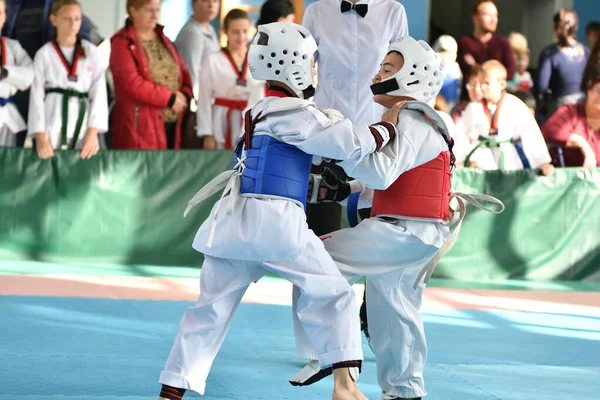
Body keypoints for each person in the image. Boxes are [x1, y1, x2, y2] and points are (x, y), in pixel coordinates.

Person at [156, 22, 402, 400]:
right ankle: (345, 386)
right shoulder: (298, 113)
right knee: (334, 293)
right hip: (277, 225)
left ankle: (172, 387)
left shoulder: (259, 111)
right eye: (313, 64)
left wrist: (335, 184)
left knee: (209, 311)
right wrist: (388, 128)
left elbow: (284, 164)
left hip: (235, 222)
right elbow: (348, 143)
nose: (316, 71)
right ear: (295, 66)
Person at [289, 35, 503, 400]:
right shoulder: (414, 121)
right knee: (394, 314)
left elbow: (383, 172)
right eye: (381, 66)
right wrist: (347, 189)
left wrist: (344, 144)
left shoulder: (414, 119)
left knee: (316, 258)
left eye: (388, 68)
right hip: (413, 231)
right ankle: (404, 391)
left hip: (406, 232)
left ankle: (331, 351)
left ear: (414, 76)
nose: (378, 73)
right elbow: (394, 178)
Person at [27, 0, 107, 159]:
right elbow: (36, 96)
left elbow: (99, 94)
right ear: (53, 20)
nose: (73, 24)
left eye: (77, 19)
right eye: (67, 18)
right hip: (52, 123)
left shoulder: (91, 52)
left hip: (83, 124)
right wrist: (40, 136)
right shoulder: (44, 54)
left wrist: (93, 131)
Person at [109, 0, 193, 150]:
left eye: (157, 10)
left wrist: (185, 95)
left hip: (173, 123)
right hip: (140, 127)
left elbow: (183, 71)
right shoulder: (122, 42)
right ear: (133, 10)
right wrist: (170, 99)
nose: (155, 16)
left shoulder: (163, 38)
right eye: (149, 10)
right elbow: (132, 83)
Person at [457, 60, 554, 175]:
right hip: (482, 160)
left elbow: (530, 133)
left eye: (487, 83)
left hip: (509, 159)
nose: (482, 87)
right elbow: (460, 134)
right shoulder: (473, 107)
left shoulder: (514, 104)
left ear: (502, 84)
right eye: (481, 82)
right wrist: (467, 158)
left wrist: (543, 162)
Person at [197, 9, 265, 150]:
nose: (241, 36)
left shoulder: (259, 59)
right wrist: (207, 134)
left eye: (245, 31)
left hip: (251, 121)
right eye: (235, 32)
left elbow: (262, 96)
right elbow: (204, 98)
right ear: (225, 31)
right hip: (221, 121)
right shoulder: (212, 59)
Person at [174, 0, 220, 148]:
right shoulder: (192, 33)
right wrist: (197, 107)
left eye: (215, 1)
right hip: (196, 107)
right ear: (193, 4)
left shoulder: (209, 30)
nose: (211, 5)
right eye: (206, 1)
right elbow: (190, 72)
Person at [542, 65, 600, 167]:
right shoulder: (571, 112)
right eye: (598, 91)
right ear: (588, 89)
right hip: (565, 180)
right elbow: (549, 131)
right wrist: (583, 144)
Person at [457, 0, 516, 101]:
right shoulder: (465, 42)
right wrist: (496, 70)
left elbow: (510, 73)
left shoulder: (502, 43)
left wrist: (476, 66)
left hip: (495, 103)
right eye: (488, 15)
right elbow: (468, 72)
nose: (493, 19)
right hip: (470, 102)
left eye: (495, 15)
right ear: (475, 18)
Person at [0, 0, 34, 147]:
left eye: (0, 13)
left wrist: (6, 73)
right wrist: (11, 88)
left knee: (7, 167)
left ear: (5, 17)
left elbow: (30, 75)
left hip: (8, 119)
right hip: (8, 104)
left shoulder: (12, 46)